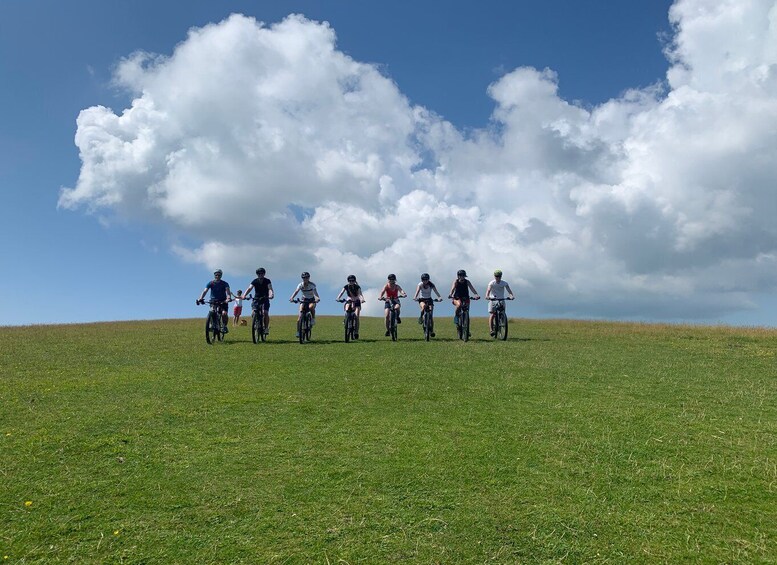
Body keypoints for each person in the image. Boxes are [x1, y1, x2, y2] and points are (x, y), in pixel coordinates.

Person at [196, 269, 234, 333]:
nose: (217, 276)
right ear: (214, 275)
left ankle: (224, 326)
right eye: (216, 275)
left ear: (221, 275)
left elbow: (228, 292)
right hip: (213, 300)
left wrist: (228, 298)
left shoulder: (225, 283)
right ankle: (211, 324)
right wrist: (200, 298)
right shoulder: (210, 283)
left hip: (223, 301)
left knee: (224, 313)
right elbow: (205, 291)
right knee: (212, 311)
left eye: (219, 275)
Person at [242, 267, 274, 335]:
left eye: (262, 273)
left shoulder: (267, 281)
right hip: (256, 298)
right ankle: (256, 323)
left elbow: (270, 288)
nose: (260, 275)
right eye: (259, 274)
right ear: (257, 274)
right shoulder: (255, 281)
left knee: (265, 313)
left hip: (265, 298)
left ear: (264, 274)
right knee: (253, 312)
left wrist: (271, 294)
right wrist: (244, 295)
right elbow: (249, 288)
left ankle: (266, 328)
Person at [448, 269, 480, 336]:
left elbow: (472, 288)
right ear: (458, 276)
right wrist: (450, 294)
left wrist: (476, 294)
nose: (463, 277)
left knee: (466, 312)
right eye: (461, 276)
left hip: (465, 297)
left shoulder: (467, 282)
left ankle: (467, 329)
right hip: (457, 297)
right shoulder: (456, 282)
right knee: (459, 305)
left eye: (464, 276)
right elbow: (452, 289)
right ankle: (456, 316)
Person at [289, 272, 320, 336]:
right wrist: (292, 298)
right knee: (299, 317)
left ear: (309, 278)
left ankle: (313, 318)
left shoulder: (312, 285)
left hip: (311, 299)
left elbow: (315, 293)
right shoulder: (300, 285)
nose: (305, 279)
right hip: (304, 299)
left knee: (311, 307)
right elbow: (296, 291)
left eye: (306, 277)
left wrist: (317, 298)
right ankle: (298, 332)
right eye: (304, 278)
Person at [485, 269, 515, 336]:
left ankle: (502, 322)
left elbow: (509, 291)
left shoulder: (504, 283)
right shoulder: (491, 283)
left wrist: (511, 296)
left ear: (501, 276)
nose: (498, 277)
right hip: (493, 300)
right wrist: (487, 296)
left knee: (502, 312)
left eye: (499, 276)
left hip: (501, 299)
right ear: (494, 276)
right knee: (492, 314)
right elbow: (488, 290)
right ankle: (491, 330)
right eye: (496, 276)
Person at [336, 274, 365, 339]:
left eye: (352, 280)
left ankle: (356, 332)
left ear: (354, 281)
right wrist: (338, 298)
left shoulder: (357, 287)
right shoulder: (346, 286)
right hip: (349, 300)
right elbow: (341, 293)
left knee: (357, 316)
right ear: (348, 281)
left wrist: (362, 299)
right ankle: (346, 319)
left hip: (357, 301)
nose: (351, 282)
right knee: (347, 309)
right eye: (350, 281)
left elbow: (360, 294)